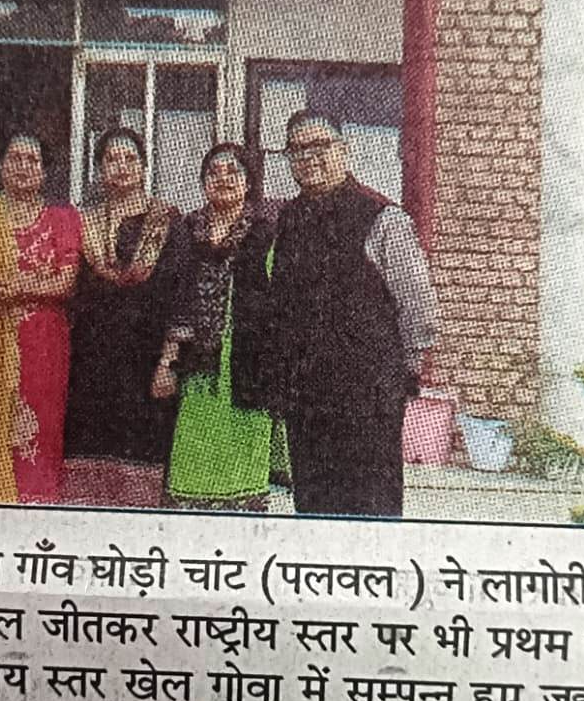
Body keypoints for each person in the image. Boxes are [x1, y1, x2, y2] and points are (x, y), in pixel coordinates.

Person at [268, 110, 438, 517]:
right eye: (297, 150)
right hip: (307, 394)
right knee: (313, 506)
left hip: (368, 393)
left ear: (343, 150)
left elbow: (418, 303)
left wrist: (404, 372)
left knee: (370, 507)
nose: (309, 157)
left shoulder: (383, 217)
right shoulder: (287, 220)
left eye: (320, 146)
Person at [0, 133, 83, 503]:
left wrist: (14, 286)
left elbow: (65, 282)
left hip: (41, 343)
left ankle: (33, 503)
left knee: (37, 425)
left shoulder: (62, 218)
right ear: (1, 165)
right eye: (15, 158)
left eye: (33, 160)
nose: (23, 167)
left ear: (45, 170)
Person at [151, 143, 275, 509]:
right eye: (213, 173)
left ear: (249, 182)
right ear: (203, 182)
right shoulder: (186, 230)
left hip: (247, 365)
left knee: (243, 481)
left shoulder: (266, 233)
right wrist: (167, 362)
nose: (223, 179)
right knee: (191, 466)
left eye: (233, 171)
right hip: (196, 369)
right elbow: (177, 300)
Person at [64, 128, 179, 507]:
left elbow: (178, 297)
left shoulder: (166, 222)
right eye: (112, 159)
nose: (122, 166)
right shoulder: (84, 224)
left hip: (146, 360)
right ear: (98, 169)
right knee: (88, 458)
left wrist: (168, 361)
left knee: (142, 461)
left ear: (144, 166)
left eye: (131, 158)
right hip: (91, 363)